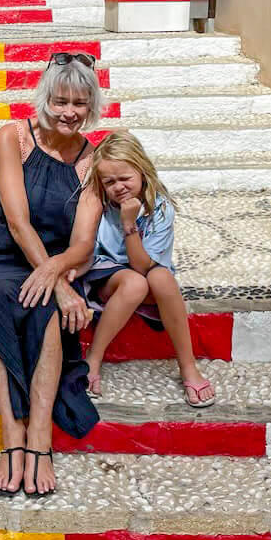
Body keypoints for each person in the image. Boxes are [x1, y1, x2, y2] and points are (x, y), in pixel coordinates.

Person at [0, 53, 106, 499]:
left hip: (51, 261)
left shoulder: (94, 159)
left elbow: (82, 244)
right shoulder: (13, 137)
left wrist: (56, 276)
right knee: (2, 295)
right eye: (60, 101)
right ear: (44, 99)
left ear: (92, 105)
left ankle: (39, 435)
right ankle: (10, 434)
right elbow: (17, 222)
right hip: (1, 256)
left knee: (45, 309)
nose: (69, 112)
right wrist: (59, 283)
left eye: (79, 103)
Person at [80, 130, 215, 407]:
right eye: (109, 182)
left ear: (142, 171)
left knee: (162, 278)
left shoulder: (161, 208)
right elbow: (128, 272)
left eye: (125, 178)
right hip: (109, 277)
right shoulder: (100, 205)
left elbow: (143, 266)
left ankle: (187, 366)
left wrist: (130, 224)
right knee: (134, 283)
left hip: (145, 272)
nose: (118, 187)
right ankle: (93, 359)